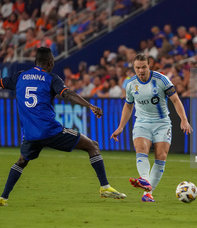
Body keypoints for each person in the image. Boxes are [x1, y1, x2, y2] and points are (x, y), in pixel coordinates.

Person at [0, 47, 126, 206]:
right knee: (92, 146)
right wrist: (90, 106)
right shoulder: (51, 78)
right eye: (52, 61)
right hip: (50, 130)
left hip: (31, 135)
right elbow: (67, 94)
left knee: (21, 161)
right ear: (49, 62)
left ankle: (3, 197)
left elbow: (1, 84)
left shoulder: (19, 77)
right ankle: (105, 187)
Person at [111, 54, 192, 202]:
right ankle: (145, 180)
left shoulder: (161, 80)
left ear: (149, 66)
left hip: (162, 123)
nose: (141, 70)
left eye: (144, 67)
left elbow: (175, 100)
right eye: (138, 68)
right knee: (141, 149)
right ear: (134, 68)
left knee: (161, 156)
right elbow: (128, 106)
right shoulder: (130, 84)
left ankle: (147, 193)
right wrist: (121, 127)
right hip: (142, 123)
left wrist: (184, 120)